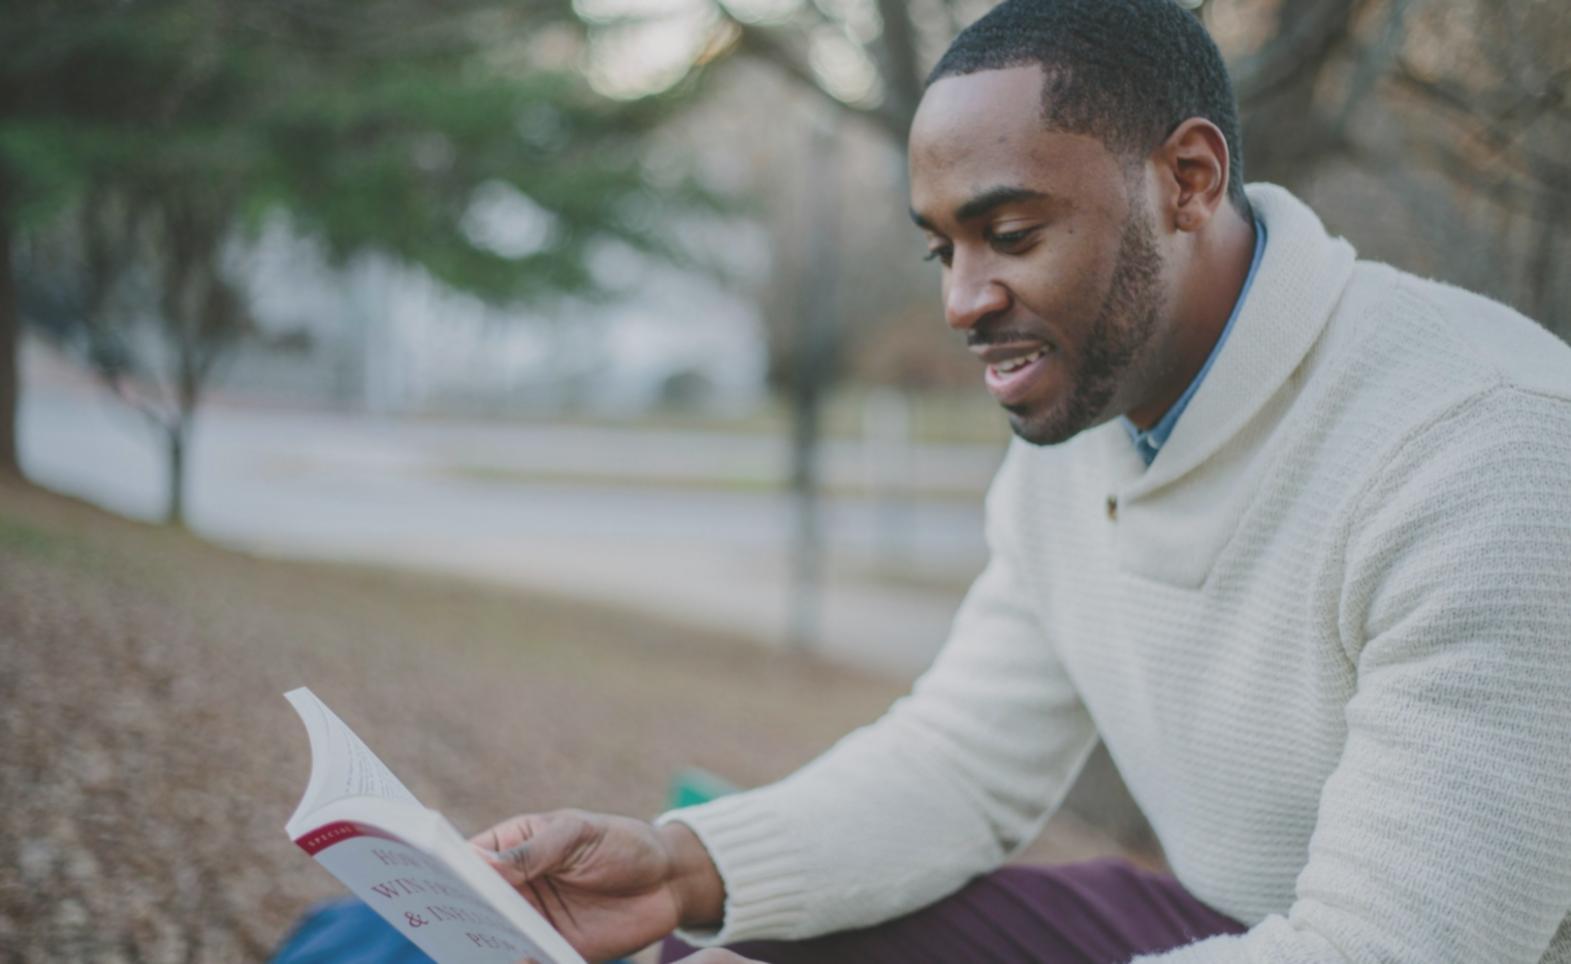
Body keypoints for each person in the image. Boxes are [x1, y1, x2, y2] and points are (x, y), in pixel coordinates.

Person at [475, 1, 1571, 961]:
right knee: (750, 947)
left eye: (1007, 234)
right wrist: (677, 866)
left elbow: (1387, 952)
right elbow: (959, 763)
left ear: (1186, 180)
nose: (961, 300)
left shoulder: (1485, 451)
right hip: (1228, 920)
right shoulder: (1089, 413)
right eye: (941, 249)